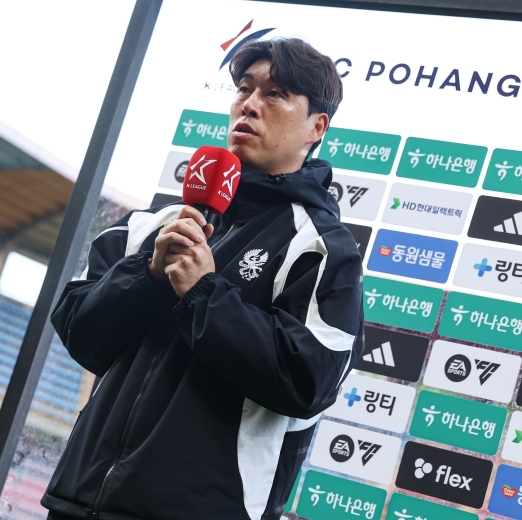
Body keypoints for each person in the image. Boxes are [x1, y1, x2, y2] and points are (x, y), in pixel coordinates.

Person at [43, 37, 364, 520]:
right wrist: (147, 274)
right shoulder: (153, 225)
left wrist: (205, 293)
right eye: (244, 89)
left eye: (275, 94)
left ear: (316, 127)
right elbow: (80, 333)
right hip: (78, 501)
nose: (249, 105)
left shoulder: (321, 247)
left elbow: (309, 382)